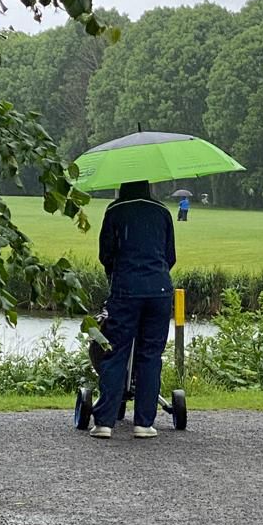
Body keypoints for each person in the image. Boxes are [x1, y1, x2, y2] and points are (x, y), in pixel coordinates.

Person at [90, 180, 176, 439]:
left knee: (115, 352)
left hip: (126, 290)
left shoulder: (115, 211)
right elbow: (170, 255)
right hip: (159, 290)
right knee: (150, 355)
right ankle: (144, 422)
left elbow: (106, 254)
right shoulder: (162, 211)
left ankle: (105, 421)